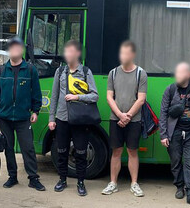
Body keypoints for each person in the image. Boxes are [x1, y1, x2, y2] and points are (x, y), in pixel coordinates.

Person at [0, 36, 45, 191]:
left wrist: (36, 110)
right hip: (4, 118)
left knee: (28, 148)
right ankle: (12, 177)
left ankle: (33, 178)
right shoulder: (1, 71)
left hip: (23, 118)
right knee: (8, 148)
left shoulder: (30, 70)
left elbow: (36, 93)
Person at [48, 40, 98, 196]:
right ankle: (62, 180)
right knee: (61, 151)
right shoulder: (60, 72)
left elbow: (95, 96)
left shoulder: (86, 72)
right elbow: (54, 96)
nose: (67, 54)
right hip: (62, 118)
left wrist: (77, 97)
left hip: (80, 119)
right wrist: (51, 118)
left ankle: (81, 182)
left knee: (81, 152)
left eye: (70, 51)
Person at [102, 40, 147, 197]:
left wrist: (127, 116)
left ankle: (134, 183)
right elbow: (109, 97)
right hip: (116, 119)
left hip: (134, 120)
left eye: (126, 53)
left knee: (132, 151)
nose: (123, 56)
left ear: (133, 55)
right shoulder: (113, 73)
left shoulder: (141, 74)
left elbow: (141, 99)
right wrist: (120, 115)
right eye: (121, 53)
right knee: (116, 151)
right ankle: (113, 183)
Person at [159, 62, 190, 207]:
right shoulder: (170, 89)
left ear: (188, 74)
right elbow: (163, 113)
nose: (177, 75)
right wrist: (163, 135)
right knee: (175, 161)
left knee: (189, 162)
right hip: (174, 132)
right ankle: (179, 186)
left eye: (181, 73)